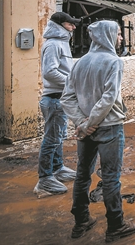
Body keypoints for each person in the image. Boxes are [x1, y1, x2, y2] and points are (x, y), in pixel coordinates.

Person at [61, 20, 135, 242]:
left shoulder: (80, 62)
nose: (121, 38)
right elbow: (109, 97)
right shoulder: (114, 62)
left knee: (82, 175)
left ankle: (81, 221)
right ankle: (116, 226)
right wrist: (88, 123)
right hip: (108, 127)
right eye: (117, 34)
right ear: (107, 36)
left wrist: (82, 123)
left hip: (86, 131)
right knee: (111, 178)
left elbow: (66, 97)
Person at [34, 12, 80, 198]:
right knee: (51, 139)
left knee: (59, 136)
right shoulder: (53, 44)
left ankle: (58, 169)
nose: (74, 27)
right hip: (53, 98)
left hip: (60, 98)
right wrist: (72, 82)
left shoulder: (62, 43)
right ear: (60, 25)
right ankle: (44, 179)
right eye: (71, 24)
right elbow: (50, 73)